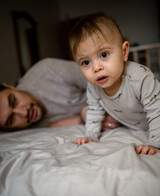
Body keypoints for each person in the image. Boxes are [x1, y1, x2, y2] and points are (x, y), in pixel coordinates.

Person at [69, 13, 160, 155]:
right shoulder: (93, 86)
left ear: (124, 52)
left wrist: (156, 143)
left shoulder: (140, 78)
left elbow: (157, 110)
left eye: (104, 55)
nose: (96, 68)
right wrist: (90, 136)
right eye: (86, 62)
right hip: (138, 126)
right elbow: (94, 110)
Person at [0, 58, 120, 131]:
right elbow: (55, 126)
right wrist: (83, 117)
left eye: (13, 101)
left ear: (10, 87)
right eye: (11, 119)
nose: (23, 113)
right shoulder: (21, 130)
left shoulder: (49, 70)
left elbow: (108, 81)